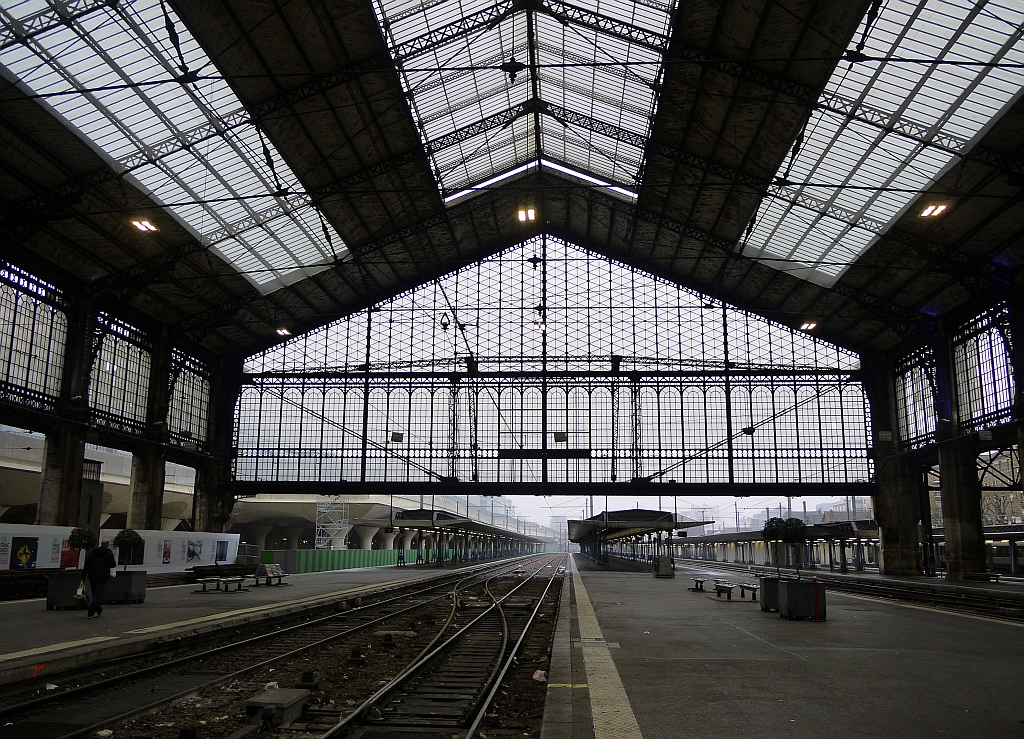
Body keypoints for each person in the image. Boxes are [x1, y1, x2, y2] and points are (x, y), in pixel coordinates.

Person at [82, 538, 116, 619]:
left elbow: (87, 564)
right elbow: (113, 565)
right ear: (107, 544)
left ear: (101, 543)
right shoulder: (109, 553)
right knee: (97, 595)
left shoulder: (93, 552)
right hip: (103, 576)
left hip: (92, 576)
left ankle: (99, 609)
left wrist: (83, 575)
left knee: (94, 594)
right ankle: (91, 612)